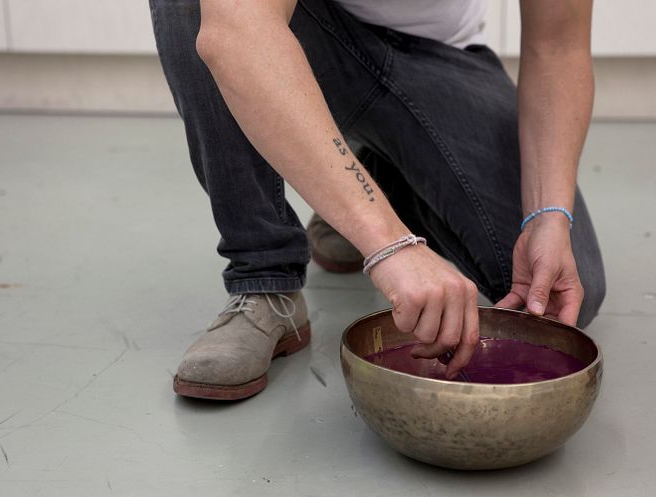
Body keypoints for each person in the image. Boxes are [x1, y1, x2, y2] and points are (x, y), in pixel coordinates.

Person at [149, 0, 605, 401]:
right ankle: (264, 279)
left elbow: (558, 45)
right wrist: (391, 247)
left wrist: (549, 215)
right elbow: (236, 28)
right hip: (307, 36)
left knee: (553, 298)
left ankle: (372, 182)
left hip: (441, 59)